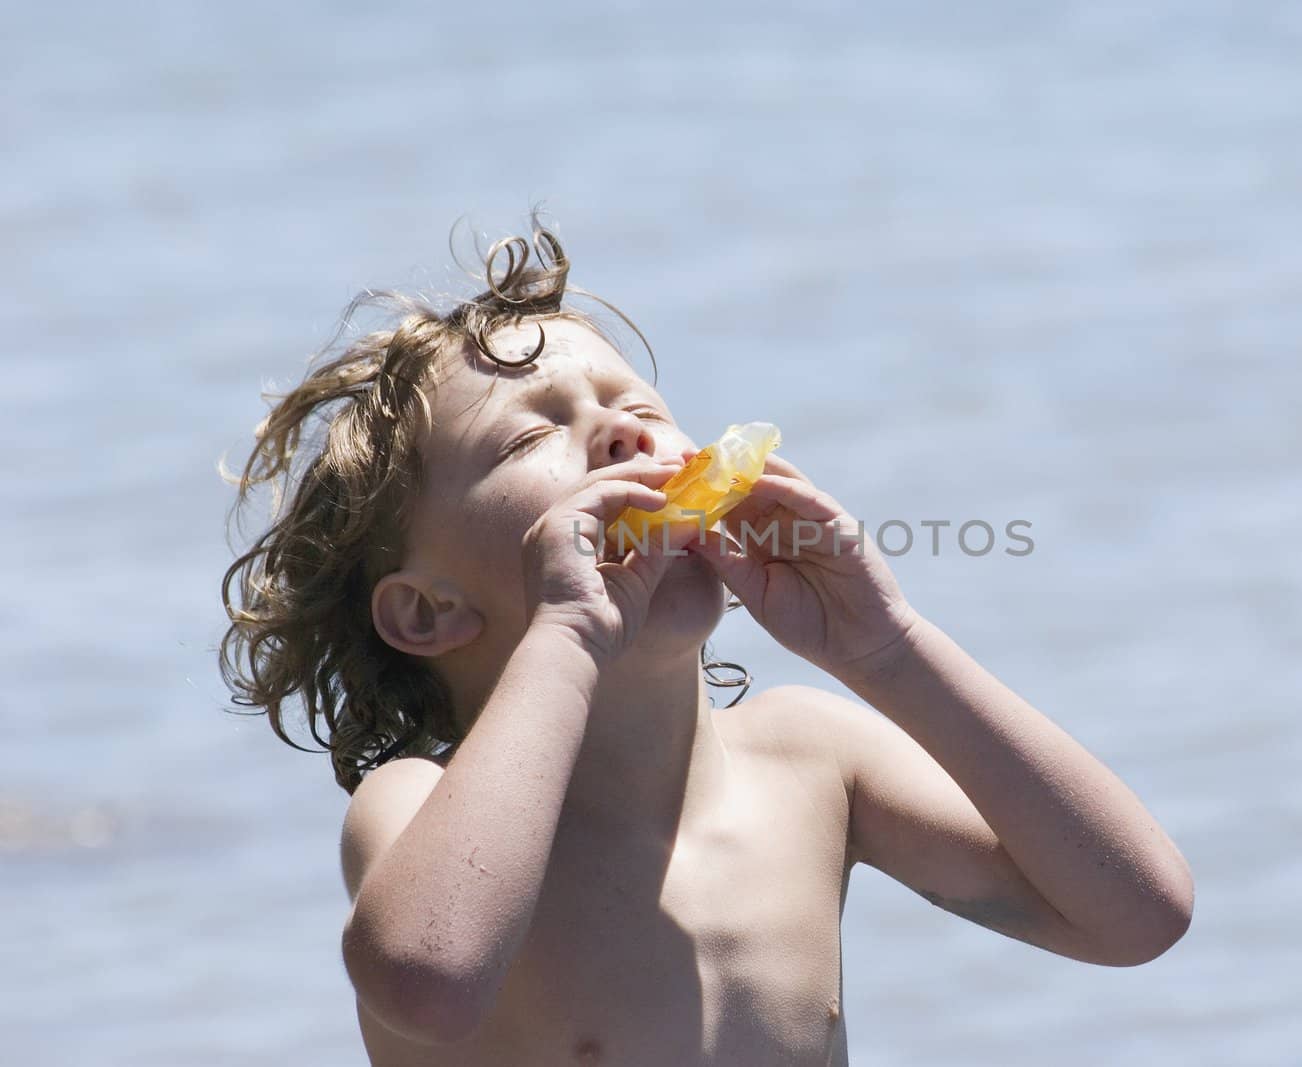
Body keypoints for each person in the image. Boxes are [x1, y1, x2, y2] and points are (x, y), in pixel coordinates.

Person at [219, 217, 1193, 1066]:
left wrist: (885, 647)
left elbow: (1138, 913)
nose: (617, 435)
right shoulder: (417, 804)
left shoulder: (813, 761)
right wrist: (566, 635)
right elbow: (429, 979)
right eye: (528, 439)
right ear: (427, 612)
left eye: (639, 410)